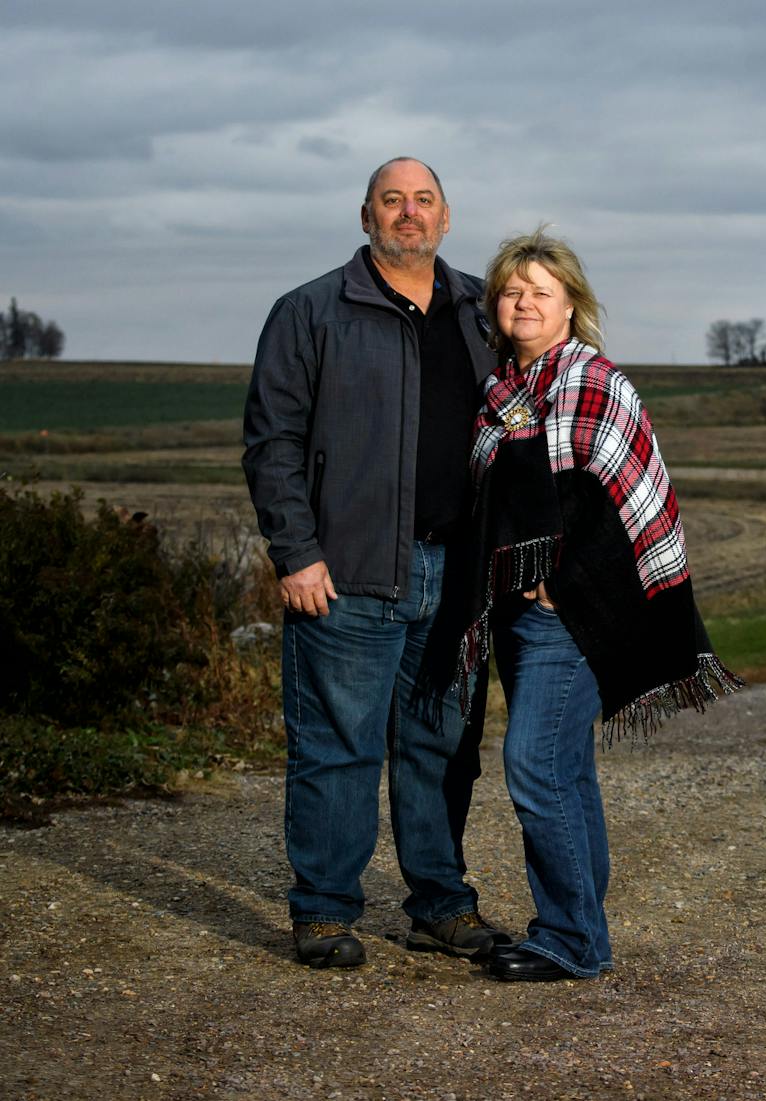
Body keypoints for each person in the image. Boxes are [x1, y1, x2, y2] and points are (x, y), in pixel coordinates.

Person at [242, 157, 511, 968]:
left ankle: (440, 902)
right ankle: (324, 911)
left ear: (447, 216)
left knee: (441, 747)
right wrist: (296, 553)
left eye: (422, 200)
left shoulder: (481, 313)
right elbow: (271, 442)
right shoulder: (312, 311)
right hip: (347, 576)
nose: (408, 213)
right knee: (337, 745)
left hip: (456, 574)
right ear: (365, 216)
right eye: (391, 201)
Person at [460, 227, 741, 982]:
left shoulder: (593, 380)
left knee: (533, 764)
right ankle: (576, 923)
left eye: (539, 291)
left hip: (576, 614)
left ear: (570, 305)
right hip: (520, 614)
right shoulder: (500, 391)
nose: (523, 301)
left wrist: (567, 578)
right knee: (567, 769)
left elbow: (639, 499)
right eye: (512, 290)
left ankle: (573, 938)